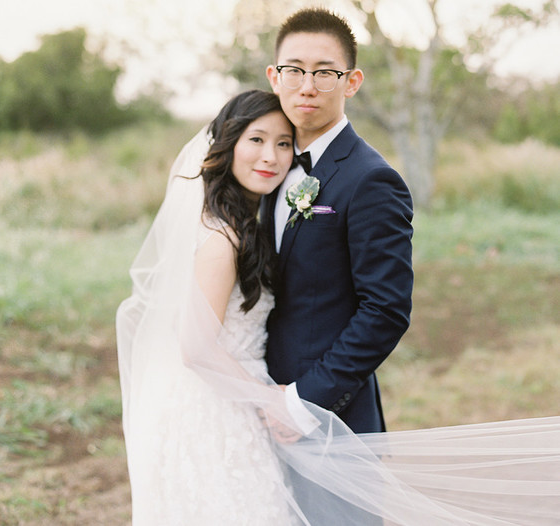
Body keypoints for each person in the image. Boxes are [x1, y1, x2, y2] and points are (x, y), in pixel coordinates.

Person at [117, 88, 560, 526]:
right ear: (228, 143)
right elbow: (194, 346)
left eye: (283, 143)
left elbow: (381, 307)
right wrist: (270, 402)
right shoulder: (220, 240)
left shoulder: (252, 214)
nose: (270, 156)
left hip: (247, 397)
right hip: (221, 406)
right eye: (256, 139)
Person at [264, 7, 413, 434]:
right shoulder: (265, 166)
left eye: (324, 73)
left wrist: (302, 403)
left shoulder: (372, 179)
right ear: (275, 77)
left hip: (328, 417)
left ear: (352, 82)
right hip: (256, 401)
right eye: (294, 70)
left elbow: (385, 310)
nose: (307, 86)